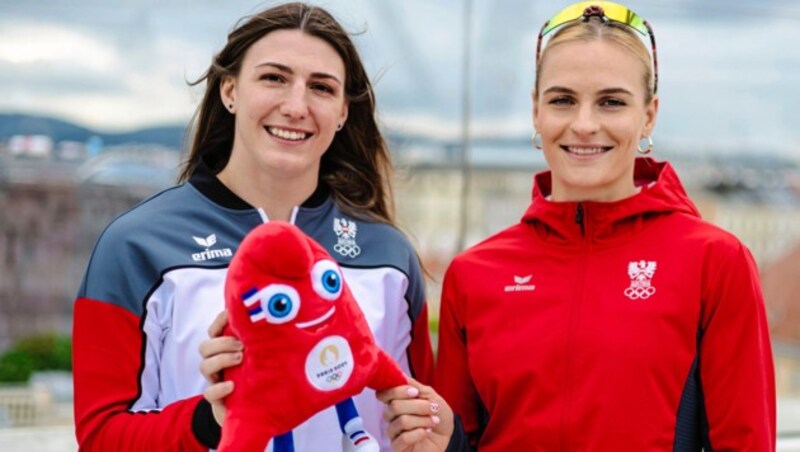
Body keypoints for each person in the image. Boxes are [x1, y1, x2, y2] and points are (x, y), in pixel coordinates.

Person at [378, 2, 776, 450]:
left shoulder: (715, 262)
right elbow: (455, 441)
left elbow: (744, 442)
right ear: (536, 112)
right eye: (563, 100)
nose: (584, 125)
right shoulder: (473, 275)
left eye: (611, 102)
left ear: (648, 115)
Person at [72, 2, 434, 451]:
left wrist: (438, 430)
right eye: (274, 78)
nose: (296, 106)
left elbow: (425, 414)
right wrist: (210, 418)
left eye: (321, 88)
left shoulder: (389, 254)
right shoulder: (136, 245)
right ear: (230, 91)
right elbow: (100, 436)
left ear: (343, 112)